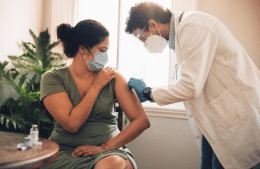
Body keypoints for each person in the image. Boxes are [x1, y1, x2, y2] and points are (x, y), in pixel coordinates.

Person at [125, 2, 260, 169]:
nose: (145, 45)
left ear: (153, 24)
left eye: (143, 38)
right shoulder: (181, 37)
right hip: (214, 125)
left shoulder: (193, 26)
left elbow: (190, 86)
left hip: (235, 120)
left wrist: (148, 92)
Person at [40, 19, 150, 169]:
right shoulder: (53, 78)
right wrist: (96, 86)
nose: (106, 56)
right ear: (83, 49)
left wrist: (105, 147)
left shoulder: (114, 77)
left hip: (109, 152)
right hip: (65, 152)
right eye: (102, 50)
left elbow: (141, 121)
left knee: (112, 165)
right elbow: (72, 125)